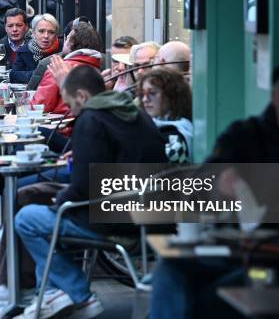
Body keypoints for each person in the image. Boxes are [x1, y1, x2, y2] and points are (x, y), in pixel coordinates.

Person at [150, 56, 279, 319]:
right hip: (235, 249)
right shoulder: (246, 135)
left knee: (212, 299)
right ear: (274, 97)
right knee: (170, 270)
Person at [14, 66, 168, 319]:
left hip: (117, 222)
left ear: (83, 97)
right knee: (48, 219)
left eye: (71, 105)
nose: (72, 112)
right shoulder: (135, 113)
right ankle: (53, 293)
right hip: (152, 218)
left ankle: (77, 295)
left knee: (29, 218)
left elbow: (84, 188)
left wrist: (58, 202)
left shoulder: (91, 119)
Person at [31, 22, 102, 115]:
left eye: (67, 38)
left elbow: (38, 107)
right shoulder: (99, 68)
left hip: (62, 127)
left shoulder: (58, 67)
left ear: (71, 43)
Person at [137, 68, 193, 163]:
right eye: (142, 94)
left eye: (152, 93)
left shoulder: (177, 135)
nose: (145, 99)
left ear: (172, 95)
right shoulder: (147, 124)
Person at [11, 13, 61, 84]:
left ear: (56, 35)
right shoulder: (24, 51)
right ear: (33, 33)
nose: (46, 36)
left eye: (51, 32)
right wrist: (40, 73)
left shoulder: (62, 49)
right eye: (41, 31)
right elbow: (14, 75)